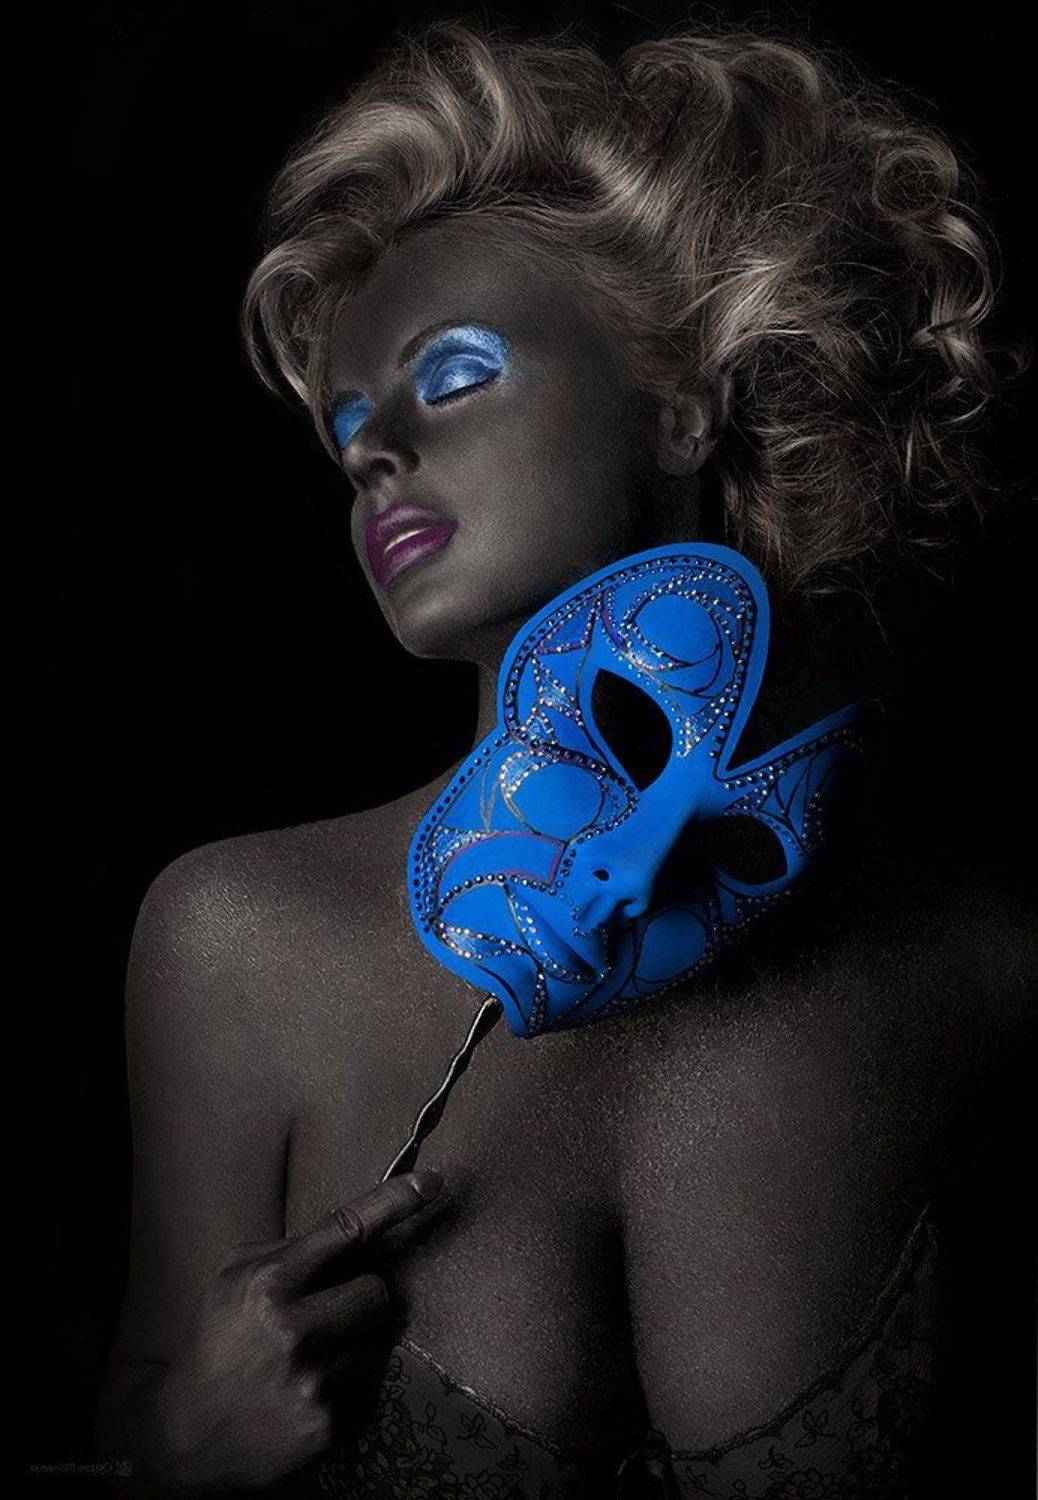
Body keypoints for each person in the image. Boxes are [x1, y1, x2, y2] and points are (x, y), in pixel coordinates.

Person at [95, 19, 1034, 1498]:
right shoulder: (236, 942)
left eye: (455, 373)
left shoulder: (979, 968)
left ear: (684, 402)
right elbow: (132, 1427)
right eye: (351, 426)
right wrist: (172, 1449)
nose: (374, 453)